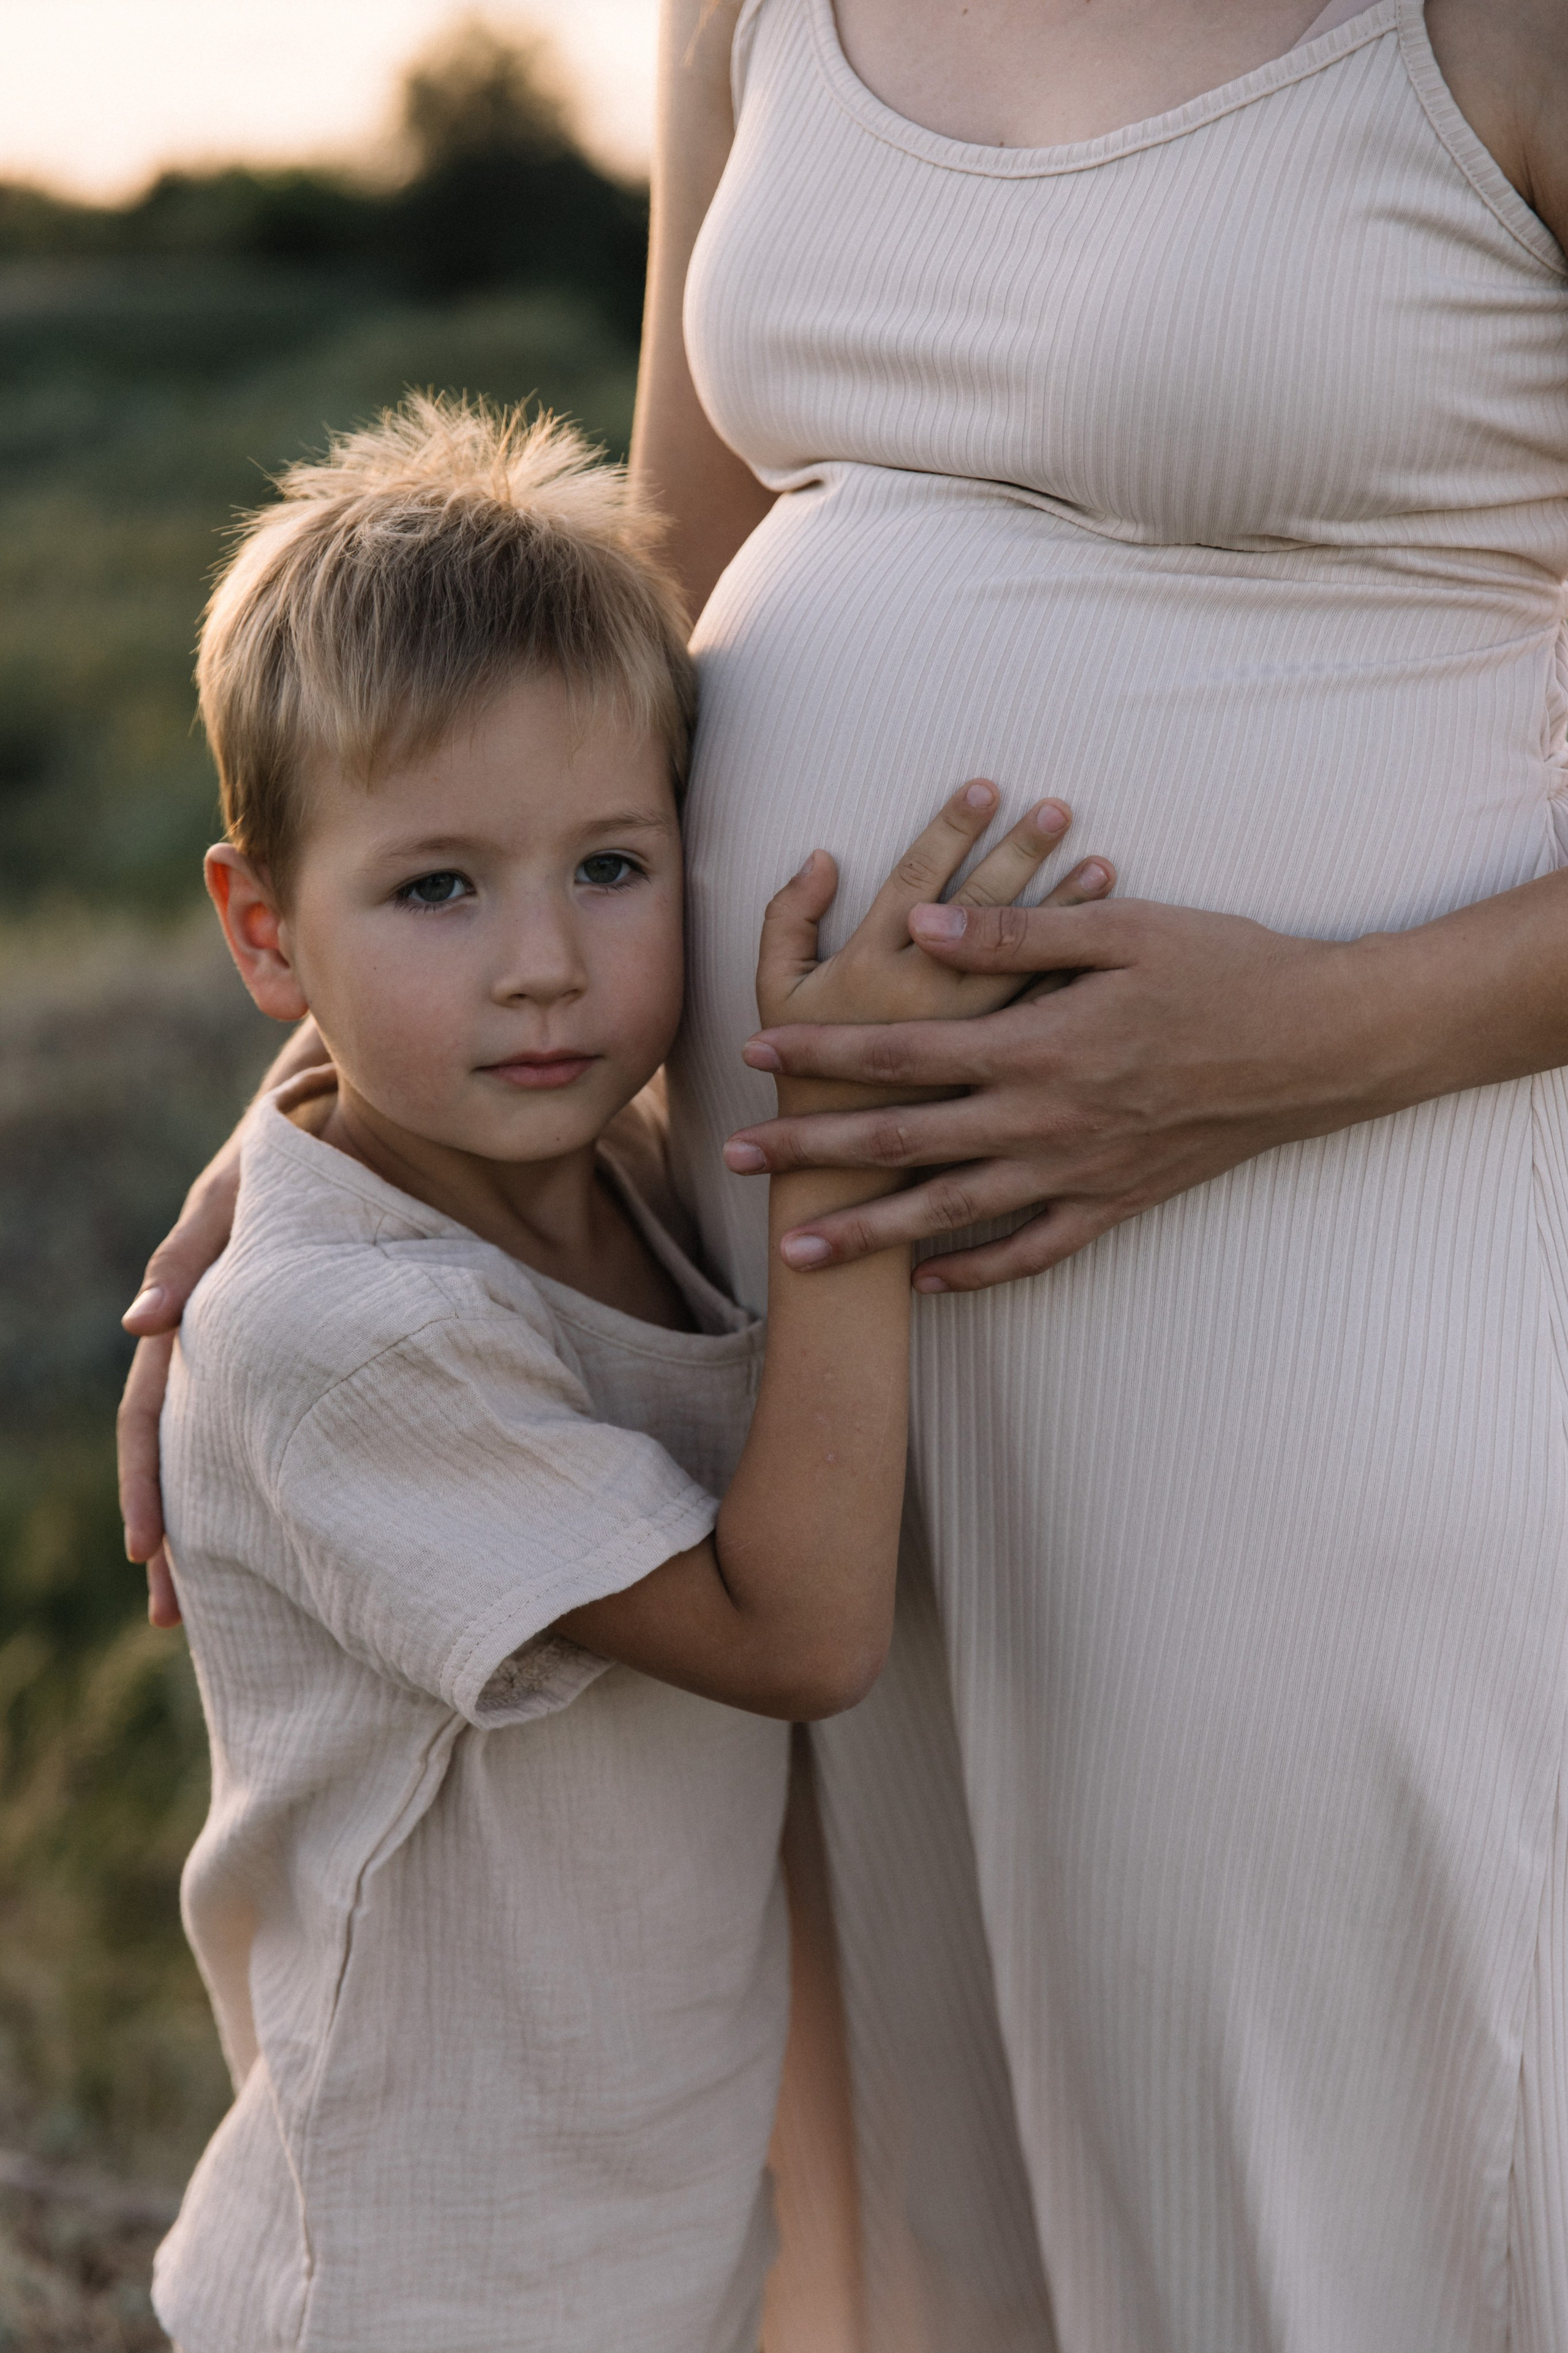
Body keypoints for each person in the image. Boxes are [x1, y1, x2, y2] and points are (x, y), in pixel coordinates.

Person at [119, 1, 1568, 2346]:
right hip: (788, 1342)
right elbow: (643, 622)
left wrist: (1277, 1043)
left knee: (1328, 2156)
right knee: (932, 2185)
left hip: (1315, 1251)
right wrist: (329, 1122)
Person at [145, 391, 1109, 2353]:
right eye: (437, 889)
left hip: (638, 2239)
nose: (542, 967)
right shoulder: (344, 1337)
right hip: (418, 2277)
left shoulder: (601, 1166)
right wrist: (843, 1151)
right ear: (267, 928)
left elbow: (422, 1036)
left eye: (611, 863)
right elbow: (800, 1630)